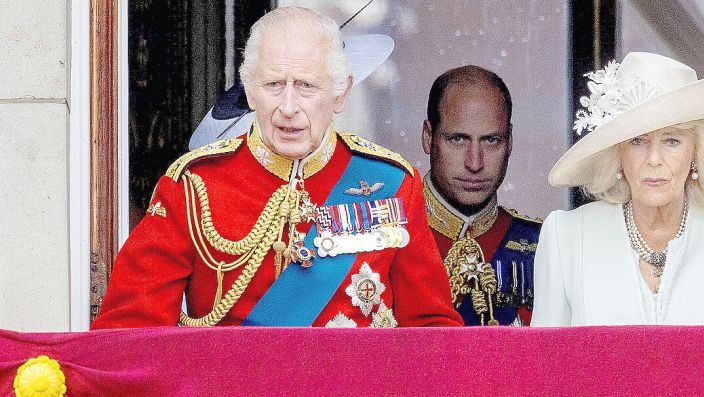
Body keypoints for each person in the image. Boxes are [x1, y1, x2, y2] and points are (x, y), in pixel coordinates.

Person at [92, 7, 462, 328]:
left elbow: (432, 334)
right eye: (273, 85)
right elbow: (128, 333)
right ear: (250, 91)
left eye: (306, 86)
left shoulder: (391, 183)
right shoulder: (193, 186)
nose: (288, 107)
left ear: (340, 93)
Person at [531, 52, 704, 326]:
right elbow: (546, 364)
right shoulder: (567, 235)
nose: (654, 159)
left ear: (697, 152)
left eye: (672, 140)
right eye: (637, 141)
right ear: (618, 153)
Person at [421, 66, 541, 326]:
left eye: (491, 140)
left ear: (509, 141)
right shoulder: (393, 237)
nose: (474, 162)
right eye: (457, 139)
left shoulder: (543, 247)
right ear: (428, 137)